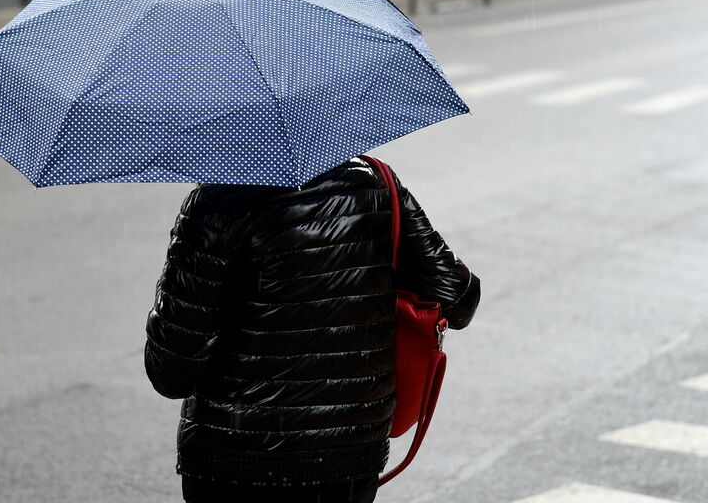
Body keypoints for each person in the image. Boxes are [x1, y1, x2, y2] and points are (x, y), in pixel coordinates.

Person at [145, 157, 480, 503]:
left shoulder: (216, 204)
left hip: (237, 458)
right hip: (349, 455)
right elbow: (459, 298)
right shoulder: (375, 186)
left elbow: (169, 372)